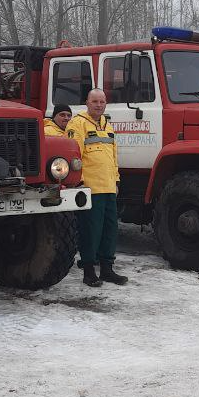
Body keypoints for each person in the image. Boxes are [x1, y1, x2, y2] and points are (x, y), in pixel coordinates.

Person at [65, 88, 128, 287]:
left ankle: (107, 269)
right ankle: (89, 271)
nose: (99, 105)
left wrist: (116, 181)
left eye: (102, 101)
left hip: (108, 187)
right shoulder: (78, 124)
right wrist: (80, 182)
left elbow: (113, 157)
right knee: (91, 230)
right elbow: (73, 156)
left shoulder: (108, 126)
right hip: (90, 187)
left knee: (110, 230)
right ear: (87, 103)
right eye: (95, 101)